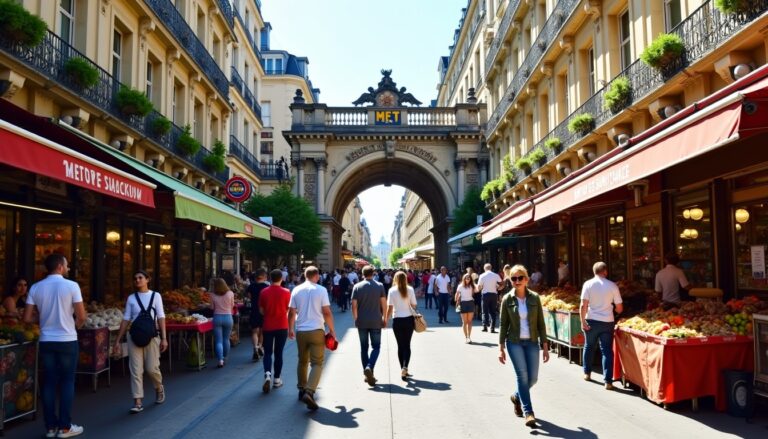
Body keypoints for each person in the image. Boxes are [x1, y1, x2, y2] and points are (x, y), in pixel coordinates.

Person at [24, 254, 86, 438]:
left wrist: (42, 318)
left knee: (49, 382)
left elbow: (27, 318)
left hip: (46, 340)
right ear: (60, 266)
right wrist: (75, 326)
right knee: (67, 381)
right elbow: (81, 316)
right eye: (67, 265)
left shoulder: (36, 287)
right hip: (67, 340)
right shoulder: (72, 286)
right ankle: (65, 427)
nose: (68, 268)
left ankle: (50, 427)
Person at [498, 264, 550, 428]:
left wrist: (546, 346)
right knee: (522, 376)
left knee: (532, 378)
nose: (517, 281)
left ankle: (516, 396)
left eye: (520, 278)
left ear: (527, 279)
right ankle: (529, 412)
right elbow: (503, 324)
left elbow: (541, 324)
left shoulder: (534, 298)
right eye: (514, 278)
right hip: (514, 342)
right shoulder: (507, 299)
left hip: (532, 342)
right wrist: (501, 347)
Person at [112, 270, 167, 413]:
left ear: (148, 279)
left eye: (140, 277)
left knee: (152, 368)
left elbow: (161, 316)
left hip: (152, 336)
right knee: (135, 370)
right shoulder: (131, 298)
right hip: (134, 336)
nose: (137, 280)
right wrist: (117, 340)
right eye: (135, 278)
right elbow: (126, 319)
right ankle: (137, 401)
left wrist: (164, 338)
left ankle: (159, 387)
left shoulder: (156, 296)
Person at [288, 266, 336, 411]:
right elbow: (327, 312)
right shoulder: (321, 290)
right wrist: (332, 330)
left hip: (301, 330)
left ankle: (301, 389)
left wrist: (290, 328)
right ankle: (309, 391)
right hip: (317, 330)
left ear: (305, 275)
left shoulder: (296, 290)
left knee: (302, 361)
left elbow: (291, 312)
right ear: (316, 276)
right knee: (317, 363)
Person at [580, 261, 623, 390]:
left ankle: (587, 373)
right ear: (605, 271)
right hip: (607, 322)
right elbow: (620, 308)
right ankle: (608, 381)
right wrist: (613, 312)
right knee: (607, 351)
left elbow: (583, 305)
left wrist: (582, 321)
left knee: (589, 346)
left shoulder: (588, 284)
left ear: (594, 272)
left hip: (592, 320)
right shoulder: (612, 285)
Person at [351, 265, 387, 386]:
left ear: (362, 274)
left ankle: (367, 372)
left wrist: (356, 318)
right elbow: (384, 304)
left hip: (362, 321)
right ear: (373, 273)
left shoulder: (357, 286)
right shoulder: (380, 286)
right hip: (376, 320)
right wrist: (385, 318)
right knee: (376, 347)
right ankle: (370, 368)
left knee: (364, 348)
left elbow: (354, 305)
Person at [259, 269, 291, 393]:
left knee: (267, 352)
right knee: (279, 353)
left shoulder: (264, 292)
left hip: (268, 325)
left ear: (270, 278)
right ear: (281, 278)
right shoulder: (287, 292)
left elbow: (261, 311)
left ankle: (267, 374)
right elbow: (288, 309)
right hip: (282, 325)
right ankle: (277, 379)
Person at [386, 271, 418, 381]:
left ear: (395, 279)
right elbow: (414, 304)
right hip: (408, 319)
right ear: (405, 279)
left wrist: (385, 320)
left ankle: (402, 370)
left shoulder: (391, 290)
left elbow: (389, 308)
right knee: (407, 345)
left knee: (400, 346)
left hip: (397, 320)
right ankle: (405, 367)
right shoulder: (410, 289)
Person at [209, 278, 235, 368]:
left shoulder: (212, 295)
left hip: (217, 317)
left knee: (218, 340)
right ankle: (225, 357)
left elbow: (212, 307)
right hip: (228, 317)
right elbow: (232, 305)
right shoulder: (230, 293)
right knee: (226, 339)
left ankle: (220, 360)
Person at [247, 269, 269, 362]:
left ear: (255, 277)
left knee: (254, 331)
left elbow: (249, 297)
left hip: (254, 310)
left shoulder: (251, 286)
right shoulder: (267, 287)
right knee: (262, 331)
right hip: (264, 311)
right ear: (264, 277)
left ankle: (255, 348)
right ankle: (260, 346)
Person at [477, 263, 503, 333]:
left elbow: (479, 286)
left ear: (484, 268)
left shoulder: (482, 275)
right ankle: (492, 328)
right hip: (494, 294)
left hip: (485, 294)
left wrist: (479, 289)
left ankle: (485, 326)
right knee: (493, 312)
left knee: (484, 311)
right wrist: (499, 288)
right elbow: (501, 283)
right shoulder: (495, 275)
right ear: (491, 268)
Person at [455, 274, 476, 343]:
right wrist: (457, 301)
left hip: (470, 303)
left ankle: (469, 337)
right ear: (464, 279)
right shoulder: (460, 286)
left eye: (469, 278)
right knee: (464, 321)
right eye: (466, 278)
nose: (468, 279)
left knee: (469, 321)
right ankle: (466, 337)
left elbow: (477, 290)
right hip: (463, 303)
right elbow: (457, 294)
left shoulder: (472, 285)